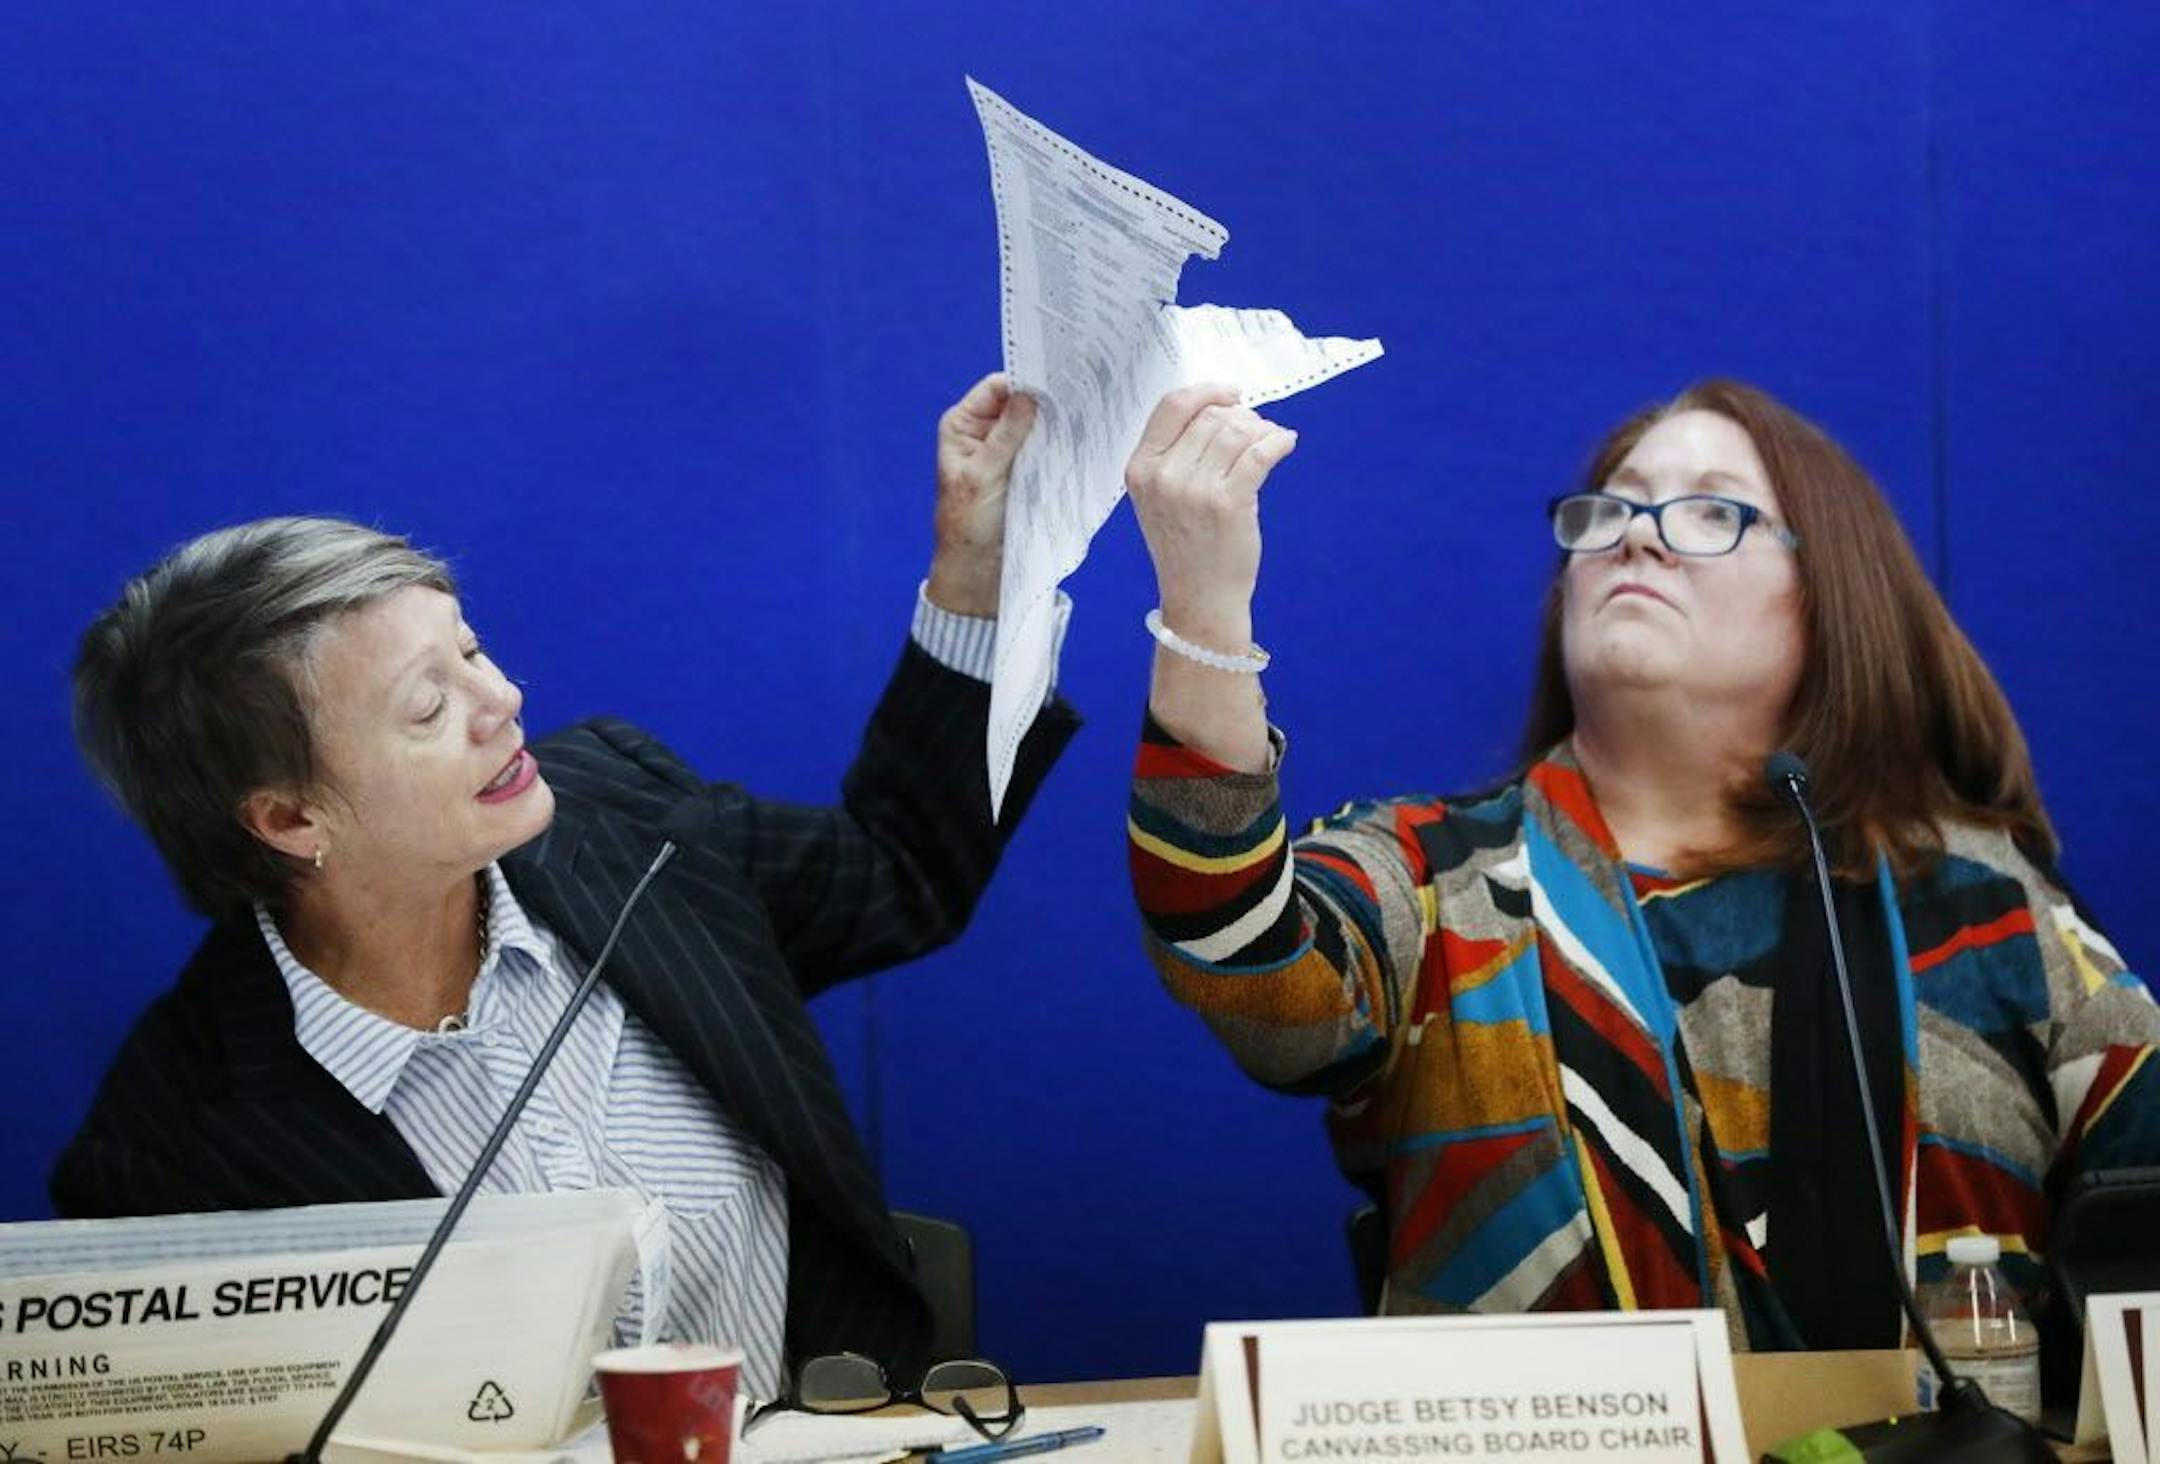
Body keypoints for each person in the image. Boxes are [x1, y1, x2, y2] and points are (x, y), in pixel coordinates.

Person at [56, 374, 1076, 1396]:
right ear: (289, 818)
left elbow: (902, 870)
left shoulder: (628, 827)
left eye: (470, 650)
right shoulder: (167, 1149)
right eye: (427, 707)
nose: (502, 699)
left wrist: (975, 566)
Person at [1123, 379, 2160, 1350]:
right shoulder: (1436, 875)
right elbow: (1243, 958)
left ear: (1833, 594)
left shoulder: (1984, 906)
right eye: (1610, 512)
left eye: (1713, 513)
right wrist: (1206, 606)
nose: (1638, 543)